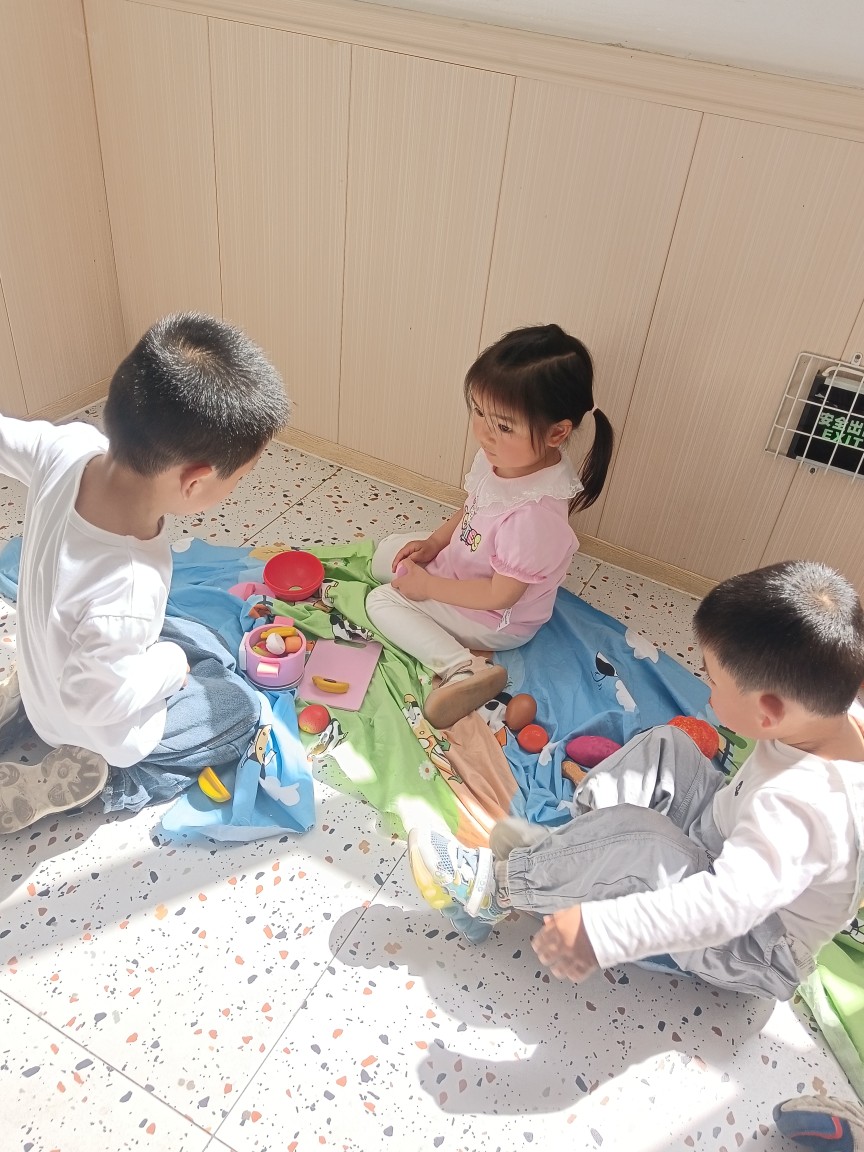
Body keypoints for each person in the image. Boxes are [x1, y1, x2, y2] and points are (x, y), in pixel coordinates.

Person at [408, 560, 864, 1000]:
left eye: (714, 684)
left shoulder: (799, 810)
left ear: (768, 714)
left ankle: (493, 890)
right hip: (723, 836)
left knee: (649, 844)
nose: (708, 694)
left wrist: (602, 931)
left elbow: (722, 909)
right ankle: (574, 850)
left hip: (747, 944)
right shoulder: (832, 712)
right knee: (668, 746)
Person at [0, 312, 291, 833]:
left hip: (47, 668)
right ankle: (109, 781)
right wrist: (168, 668)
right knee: (238, 707)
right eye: (239, 478)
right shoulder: (128, 585)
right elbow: (91, 700)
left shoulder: (69, 448)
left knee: (201, 643)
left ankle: (21, 713)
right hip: (88, 723)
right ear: (195, 482)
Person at [366, 324, 613, 729]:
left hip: (496, 617)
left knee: (381, 602)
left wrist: (428, 587)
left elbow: (500, 596)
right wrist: (434, 543)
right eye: (479, 412)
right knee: (387, 555)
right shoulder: (505, 457)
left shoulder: (534, 517)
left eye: (503, 426)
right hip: (468, 565)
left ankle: (463, 670)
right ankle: (428, 585)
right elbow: (473, 506)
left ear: (557, 433)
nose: (483, 431)